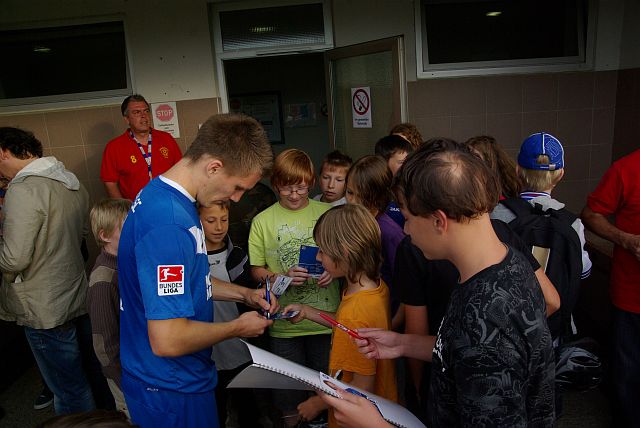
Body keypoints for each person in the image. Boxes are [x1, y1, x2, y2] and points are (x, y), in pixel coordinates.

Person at [320, 140, 555, 427]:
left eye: (408, 218)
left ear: (438, 221)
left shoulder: (487, 319)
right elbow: (463, 347)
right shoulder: (505, 260)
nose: (406, 230)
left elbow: (480, 345)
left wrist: (375, 425)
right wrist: (403, 343)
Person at [118, 113, 278, 428]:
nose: (236, 198)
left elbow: (189, 279)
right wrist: (237, 327)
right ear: (214, 167)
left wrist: (245, 295)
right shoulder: (170, 224)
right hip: (170, 386)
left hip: (174, 379)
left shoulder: (165, 195)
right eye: (237, 187)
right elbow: (168, 340)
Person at [0, 127, 95, 415]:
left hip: (43, 304)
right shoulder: (70, 181)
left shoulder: (23, 188)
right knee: (85, 374)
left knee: (67, 389)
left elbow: (14, 259)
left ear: (3, 152)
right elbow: (82, 233)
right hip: (74, 291)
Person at [248, 148, 341, 426]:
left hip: (326, 320)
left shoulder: (328, 213)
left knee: (329, 392)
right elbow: (256, 270)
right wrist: (280, 277)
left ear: (311, 183)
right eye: (287, 188)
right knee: (288, 396)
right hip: (284, 324)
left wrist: (334, 271)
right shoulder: (263, 221)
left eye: (301, 187)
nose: (295, 194)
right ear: (275, 184)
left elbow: (346, 257)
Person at [284, 204, 397, 427]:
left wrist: (318, 403)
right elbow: (346, 325)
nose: (318, 257)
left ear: (344, 252)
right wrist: (307, 311)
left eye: (322, 251)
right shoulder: (373, 287)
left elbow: (362, 386)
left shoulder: (355, 312)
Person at [581, 147, 640, 427]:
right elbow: (591, 214)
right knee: (628, 376)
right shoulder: (626, 169)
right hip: (631, 297)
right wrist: (626, 239)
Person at [199, 200, 259, 428]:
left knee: (247, 406)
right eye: (210, 220)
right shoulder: (191, 259)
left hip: (239, 347)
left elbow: (251, 297)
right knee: (215, 408)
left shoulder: (237, 256)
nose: (219, 227)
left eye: (223, 220)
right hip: (208, 350)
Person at [345, 155, 404, 326]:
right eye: (349, 192)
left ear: (380, 196)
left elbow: (408, 286)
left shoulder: (388, 232)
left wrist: (393, 324)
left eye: (363, 196)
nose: (353, 201)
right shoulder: (353, 222)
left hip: (386, 317)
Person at [87, 198, 132, 417]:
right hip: (125, 379)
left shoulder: (126, 262)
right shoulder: (103, 281)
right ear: (104, 236)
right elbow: (105, 345)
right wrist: (124, 382)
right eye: (126, 228)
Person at [100, 94, 182, 200]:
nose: (144, 115)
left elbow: (181, 170)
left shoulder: (166, 139)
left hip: (169, 203)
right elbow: (110, 183)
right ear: (127, 119)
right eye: (137, 112)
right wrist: (124, 208)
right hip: (136, 207)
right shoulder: (114, 147)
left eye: (146, 111)